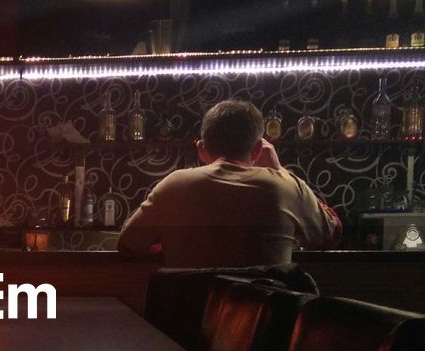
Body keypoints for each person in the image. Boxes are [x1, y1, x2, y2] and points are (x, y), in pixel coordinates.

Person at [117, 99, 341, 266]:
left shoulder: (173, 185)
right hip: (265, 323)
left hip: (186, 322)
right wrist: (279, 169)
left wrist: (167, 248)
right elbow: (331, 235)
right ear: (257, 149)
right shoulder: (285, 185)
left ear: (201, 149)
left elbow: (128, 245)